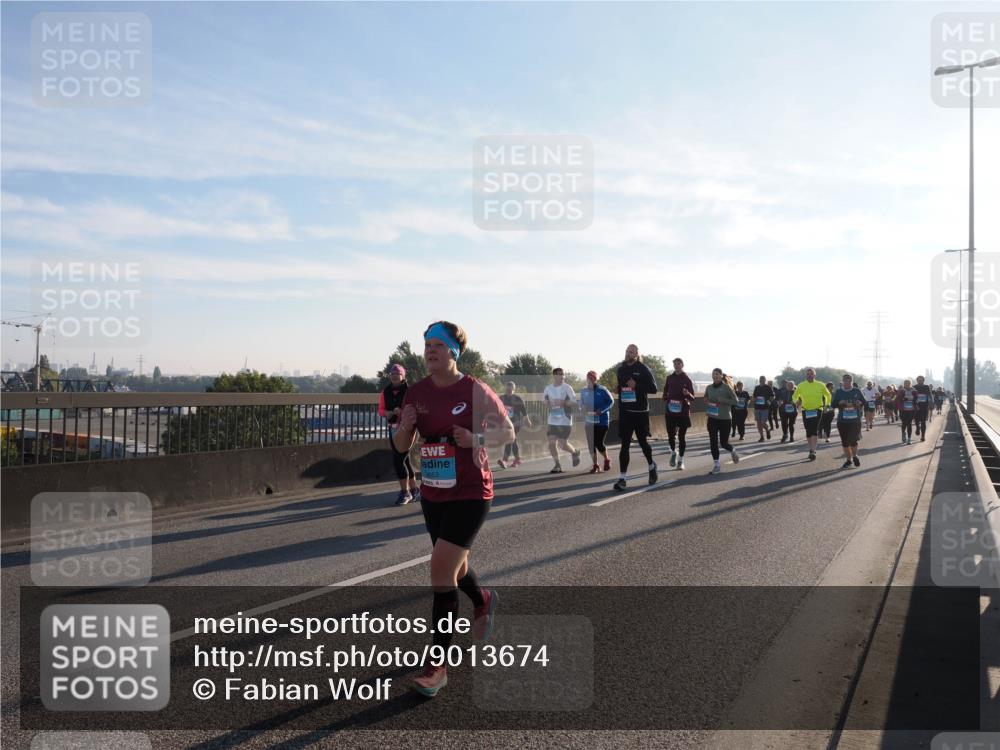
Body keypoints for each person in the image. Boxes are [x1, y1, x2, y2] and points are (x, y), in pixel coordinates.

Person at [394, 321, 514, 697]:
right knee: (456, 567)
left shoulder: (475, 389)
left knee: (440, 569)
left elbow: (507, 432)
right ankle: (483, 599)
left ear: (453, 352)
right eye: (426, 345)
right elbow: (400, 447)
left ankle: (437, 666)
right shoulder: (416, 392)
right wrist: (406, 426)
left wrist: (474, 437)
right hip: (433, 492)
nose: (429, 351)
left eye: (437, 346)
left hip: (472, 490)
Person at [612, 344, 659, 491]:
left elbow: (653, 389)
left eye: (631, 352)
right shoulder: (621, 369)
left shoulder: (643, 368)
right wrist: (619, 389)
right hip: (626, 412)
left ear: (637, 354)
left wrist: (636, 385)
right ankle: (622, 478)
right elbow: (622, 387)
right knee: (624, 444)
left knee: (643, 443)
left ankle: (651, 466)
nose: (628, 353)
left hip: (640, 412)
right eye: (626, 351)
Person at [379, 364, 419, 505]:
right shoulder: (386, 392)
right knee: (405, 460)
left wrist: (401, 411)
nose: (394, 377)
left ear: (403, 377)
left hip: (408, 429)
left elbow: (416, 409)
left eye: (398, 375)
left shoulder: (410, 391)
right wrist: (388, 413)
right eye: (392, 375)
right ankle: (414, 490)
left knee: (398, 460)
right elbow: (381, 410)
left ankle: (405, 492)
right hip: (393, 428)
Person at [543, 368, 581, 473]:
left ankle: (575, 452)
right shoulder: (548, 388)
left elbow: (574, 402)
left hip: (565, 420)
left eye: (563, 374)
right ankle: (557, 465)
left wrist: (563, 402)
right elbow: (544, 400)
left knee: (562, 444)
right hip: (552, 420)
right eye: (560, 374)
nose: (562, 376)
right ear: (554, 376)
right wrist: (546, 402)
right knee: (551, 443)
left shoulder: (567, 388)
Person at [704, 368, 741, 475]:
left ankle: (732, 450)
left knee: (724, 443)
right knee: (713, 441)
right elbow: (706, 397)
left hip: (725, 419)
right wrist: (706, 399)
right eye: (713, 374)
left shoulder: (726, 387)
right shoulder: (709, 387)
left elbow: (735, 401)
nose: (714, 376)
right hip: (712, 418)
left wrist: (723, 400)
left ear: (721, 376)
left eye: (717, 374)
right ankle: (717, 465)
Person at [792, 367, 832, 461]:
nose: (809, 375)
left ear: (814, 375)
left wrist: (827, 405)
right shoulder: (801, 385)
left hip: (817, 409)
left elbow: (828, 395)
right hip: (806, 410)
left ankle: (813, 451)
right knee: (808, 431)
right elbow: (794, 396)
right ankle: (811, 449)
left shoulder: (820, 385)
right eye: (808, 374)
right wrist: (796, 401)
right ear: (806, 375)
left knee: (814, 429)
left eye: (811, 374)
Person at [663, 357, 695, 470]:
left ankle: (681, 461)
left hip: (683, 412)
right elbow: (665, 391)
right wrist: (666, 398)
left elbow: (693, 397)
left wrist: (687, 393)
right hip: (670, 411)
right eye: (675, 364)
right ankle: (673, 452)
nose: (676, 366)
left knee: (681, 437)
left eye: (678, 364)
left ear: (682, 365)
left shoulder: (687, 379)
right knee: (671, 435)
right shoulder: (669, 378)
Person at [579, 371, 614, 473]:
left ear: (596, 379)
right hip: (589, 420)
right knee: (591, 444)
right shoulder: (583, 390)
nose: (590, 379)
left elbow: (611, 402)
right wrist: (581, 407)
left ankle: (607, 459)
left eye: (592, 378)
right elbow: (581, 402)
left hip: (602, 420)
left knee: (599, 443)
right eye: (588, 378)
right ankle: (595, 465)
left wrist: (601, 410)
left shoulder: (602, 389)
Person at [831, 373, 865, 468]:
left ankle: (854, 456)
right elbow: (833, 405)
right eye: (845, 380)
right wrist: (839, 402)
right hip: (842, 421)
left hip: (855, 421)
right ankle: (849, 460)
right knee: (845, 442)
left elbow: (864, 402)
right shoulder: (838, 392)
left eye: (849, 380)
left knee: (853, 441)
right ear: (843, 381)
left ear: (852, 381)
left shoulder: (857, 391)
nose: (847, 382)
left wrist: (860, 402)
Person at [498, 381, 531, 468]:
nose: (508, 391)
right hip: (506, 423)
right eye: (507, 389)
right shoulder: (501, 398)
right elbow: (496, 409)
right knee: (511, 440)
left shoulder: (517, 399)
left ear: (513, 389)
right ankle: (517, 459)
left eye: (510, 389)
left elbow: (524, 411)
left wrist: (527, 420)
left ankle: (505, 460)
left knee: (510, 439)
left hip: (516, 423)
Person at [752, 376, 775, 442]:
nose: (761, 380)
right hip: (757, 407)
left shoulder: (768, 387)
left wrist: (769, 401)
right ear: (759, 380)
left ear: (765, 380)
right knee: (758, 423)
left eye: (763, 379)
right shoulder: (757, 388)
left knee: (762, 422)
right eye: (760, 379)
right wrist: (754, 399)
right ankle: (762, 436)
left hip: (765, 407)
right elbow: (754, 397)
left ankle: (767, 430)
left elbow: (772, 396)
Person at [896, 379, 918, 445]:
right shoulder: (901, 390)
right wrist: (903, 399)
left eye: (908, 383)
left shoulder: (914, 390)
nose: (907, 384)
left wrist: (914, 400)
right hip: (903, 409)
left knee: (909, 423)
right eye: (905, 383)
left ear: (910, 384)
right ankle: (903, 433)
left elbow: (917, 398)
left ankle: (909, 439)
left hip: (911, 409)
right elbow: (897, 399)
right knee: (904, 423)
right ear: (904, 384)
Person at [914, 375, 932, 439]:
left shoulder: (926, 387)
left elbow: (929, 395)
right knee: (916, 420)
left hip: (924, 406)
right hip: (916, 406)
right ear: (917, 380)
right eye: (919, 380)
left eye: (921, 380)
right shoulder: (914, 387)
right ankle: (917, 428)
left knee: (923, 421)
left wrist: (930, 403)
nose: (920, 381)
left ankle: (923, 436)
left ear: (923, 381)